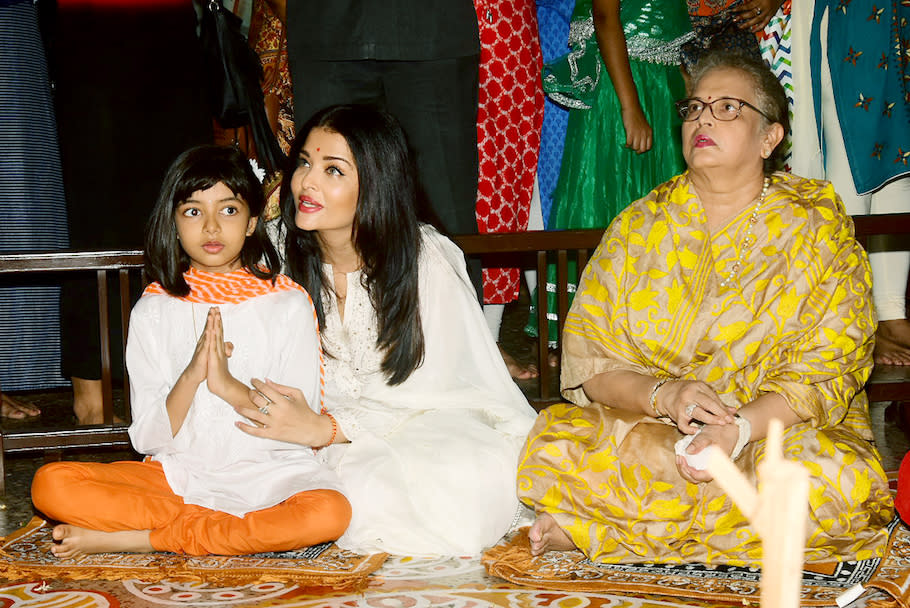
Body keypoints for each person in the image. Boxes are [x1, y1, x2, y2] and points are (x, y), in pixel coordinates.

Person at [517, 50, 893, 565]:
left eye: (728, 108)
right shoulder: (638, 226)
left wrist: (736, 429)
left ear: (769, 138)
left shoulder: (817, 227)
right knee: (555, 446)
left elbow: (831, 366)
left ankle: (607, 531)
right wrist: (664, 395)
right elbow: (592, 365)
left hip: (774, 433)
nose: (703, 119)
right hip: (658, 432)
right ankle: (667, 527)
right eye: (693, 108)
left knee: (832, 481)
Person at [234, 105, 538, 556]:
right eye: (303, 163)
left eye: (332, 170)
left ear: (375, 183)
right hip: (301, 429)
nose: (306, 183)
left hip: (420, 422)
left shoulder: (425, 258)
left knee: (467, 483)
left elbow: (440, 387)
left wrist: (331, 428)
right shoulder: (272, 252)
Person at [31, 145, 350, 558]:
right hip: (179, 480)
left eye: (229, 210)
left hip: (268, 478)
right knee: (50, 486)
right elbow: (146, 439)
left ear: (253, 221)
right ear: (175, 222)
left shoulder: (287, 304)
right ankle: (223, 532)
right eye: (194, 211)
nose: (212, 227)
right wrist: (191, 376)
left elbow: (296, 426)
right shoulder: (154, 308)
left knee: (328, 513)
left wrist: (226, 385)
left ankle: (142, 539)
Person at [53, 0, 213, 425]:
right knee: (94, 215)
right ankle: (92, 390)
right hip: (89, 23)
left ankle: (185, 380)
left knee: (182, 206)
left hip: (169, 26)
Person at [525, 0, 691, 350]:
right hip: (626, 85)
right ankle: (591, 336)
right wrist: (630, 108)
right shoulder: (629, 96)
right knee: (609, 199)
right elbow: (604, 15)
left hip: (658, 84)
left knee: (663, 207)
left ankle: (655, 325)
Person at [787, 0, 910, 365]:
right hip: (851, 15)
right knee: (850, 159)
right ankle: (848, 321)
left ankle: (889, 310)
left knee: (900, 169)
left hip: (898, 16)